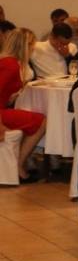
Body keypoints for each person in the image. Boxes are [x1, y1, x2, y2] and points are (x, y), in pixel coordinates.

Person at [0, 28, 48, 181]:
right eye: (32, 46)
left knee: (33, 118)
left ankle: (18, 164)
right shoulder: (11, 65)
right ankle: (19, 166)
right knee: (42, 122)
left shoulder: (7, 62)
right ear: (26, 46)